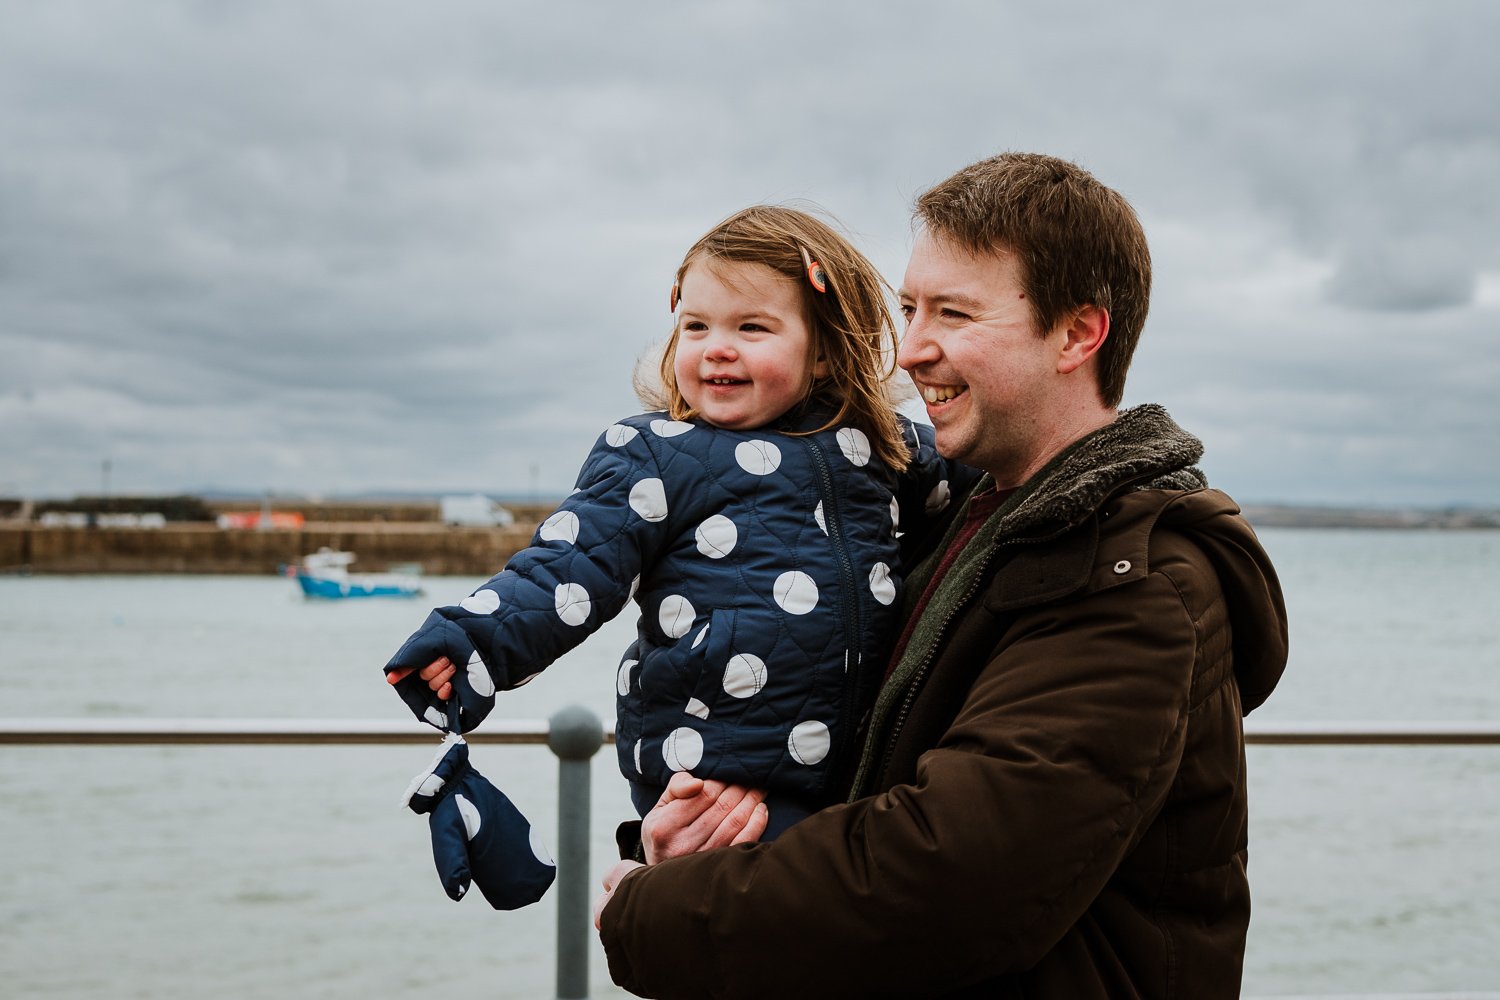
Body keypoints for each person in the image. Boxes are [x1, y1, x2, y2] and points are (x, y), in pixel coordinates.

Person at [594, 153, 1289, 998]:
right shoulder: (963, 528)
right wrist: (703, 842)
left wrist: (654, 911)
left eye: (953, 314)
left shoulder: (1135, 582)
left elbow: (947, 881)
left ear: (1078, 334)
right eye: (910, 308)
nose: (913, 349)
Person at [384, 205, 977, 840]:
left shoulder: (883, 448)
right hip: (714, 772)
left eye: (752, 327)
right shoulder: (658, 455)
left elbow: (985, 488)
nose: (716, 346)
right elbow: (568, 568)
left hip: (858, 765)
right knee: (768, 915)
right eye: (695, 325)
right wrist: (474, 640)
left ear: (826, 352)